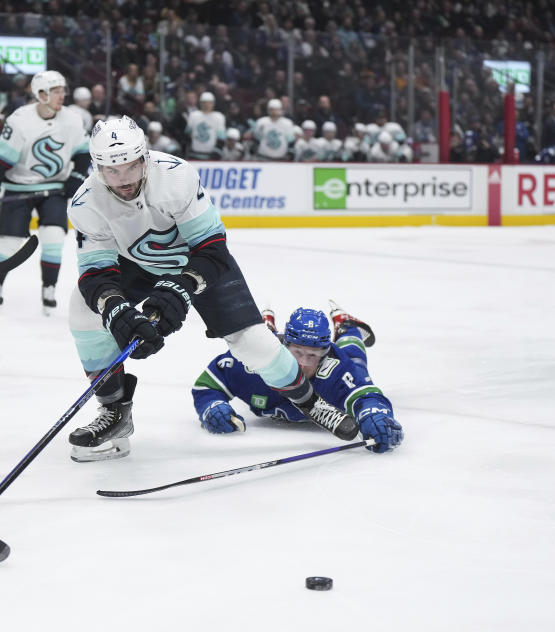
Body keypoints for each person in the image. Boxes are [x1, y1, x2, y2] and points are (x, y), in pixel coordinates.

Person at [64, 116, 343, 463]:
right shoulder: (85, 201)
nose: (124, 181)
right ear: (97, 167)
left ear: (145, 158)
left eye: (132, 167)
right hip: (133, 265)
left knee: (252, 343)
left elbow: (212, 247)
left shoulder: (176, 176)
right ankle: (114, 412)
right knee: (83, 310)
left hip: (197, 261)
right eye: (112, 171)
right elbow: (96, 273)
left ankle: (310, 402)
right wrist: (116, 309)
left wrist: (179, 290)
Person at [191, 303, 403, 454]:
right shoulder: (254, 362)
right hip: (273, 348)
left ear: (324, 354)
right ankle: (266, 329)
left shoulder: (337, 369)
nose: (303, 363)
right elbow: (208, 385)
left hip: (340, 362)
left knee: (355, 360)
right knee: (261, 342)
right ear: (284, 346)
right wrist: (212, 406)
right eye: (296, 353)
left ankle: (346, 325)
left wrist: (375, 416)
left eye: (313, 355)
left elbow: (368, 396)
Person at [0, 70, 90, 316]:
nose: (62, 95)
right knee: (10, 242)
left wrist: (77, 176)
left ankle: (49, 288)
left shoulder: (71, 119)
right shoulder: (19, 120)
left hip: (54, 189)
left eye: (63, 90)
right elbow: (0, 157)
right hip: (19, 187)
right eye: (56, 91)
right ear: (41, 94)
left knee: (54, 238)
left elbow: (83, 152)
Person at [185, 91, 225, 160]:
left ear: (213, 103)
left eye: (209, 102)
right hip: (194, 154)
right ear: (200, 103)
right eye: (204, 102)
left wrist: (216, 152)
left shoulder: (218, 117)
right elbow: (188, 134)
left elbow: (221, 138)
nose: (207, 105)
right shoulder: (193, 115)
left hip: (211, 155)